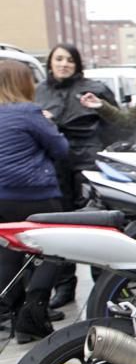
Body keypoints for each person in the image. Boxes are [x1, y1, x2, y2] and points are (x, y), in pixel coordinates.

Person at [34, 43, 117, 309]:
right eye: (59, 59)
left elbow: (115, 125)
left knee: (94, 223)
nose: (64, 64)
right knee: (59, 225)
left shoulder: (95, 88)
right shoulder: (40, 91)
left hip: (87, 160)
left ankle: (102, 283)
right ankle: (64, 286)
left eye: (69, 60)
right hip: (54, 163)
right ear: (50, 63)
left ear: (77, 64)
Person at [0, 61, 70, 342]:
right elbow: (61, 149)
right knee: (53, 252)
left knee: (8, 256)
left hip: (1, 197)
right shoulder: (30, 113)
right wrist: (49, 122)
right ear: (24, 83)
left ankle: (11, 316)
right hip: (35, 195)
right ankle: (33, 313)